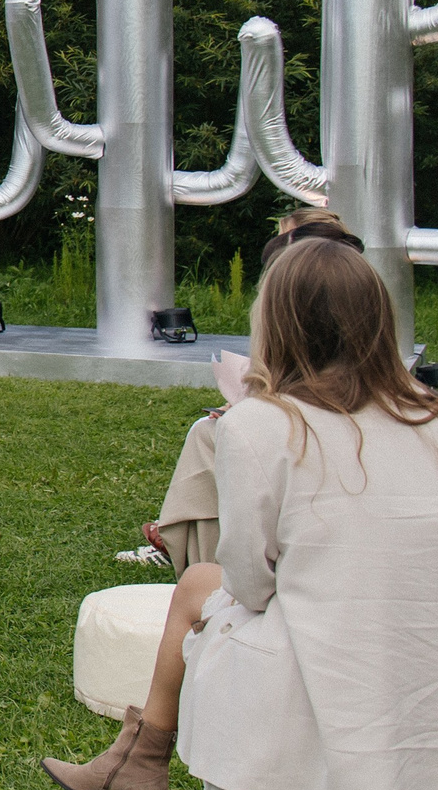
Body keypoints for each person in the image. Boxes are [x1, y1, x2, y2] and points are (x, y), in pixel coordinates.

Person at [40, 237, 438, 790]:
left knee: (202, 593)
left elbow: (249, 582)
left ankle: (170, 780)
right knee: (203, 591)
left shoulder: (260, 425)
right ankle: (143, 763)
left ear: (276, 325)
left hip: (339, 680)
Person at [120, 209, 369, 568]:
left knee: (210, 436)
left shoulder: (307, 305)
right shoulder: (361, 298)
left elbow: (317, 391)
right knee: (215, 430)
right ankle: (179, 540)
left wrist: (252, 410)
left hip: (316, 434)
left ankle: (201, 562)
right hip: (316, 423)